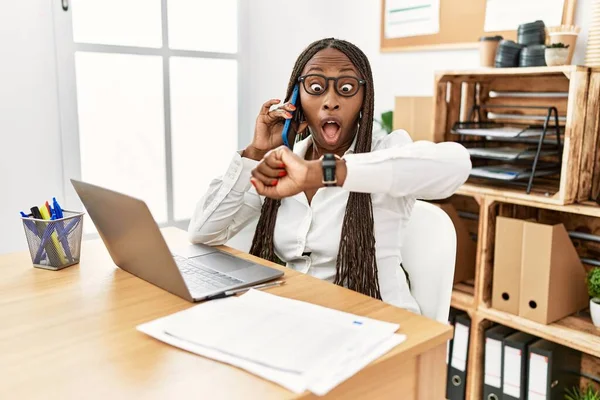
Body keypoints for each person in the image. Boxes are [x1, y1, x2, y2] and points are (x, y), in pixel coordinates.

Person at [188, 38, 471, 314]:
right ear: (296, 99)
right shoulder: (284, 161)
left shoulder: (386, 150)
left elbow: (456, 165)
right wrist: (255, 150)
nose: (330, 101)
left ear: (364, 98)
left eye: (346, 88)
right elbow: (203, 232)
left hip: (380, 320)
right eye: (315, 87)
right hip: (307, 319)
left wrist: (325, 173)